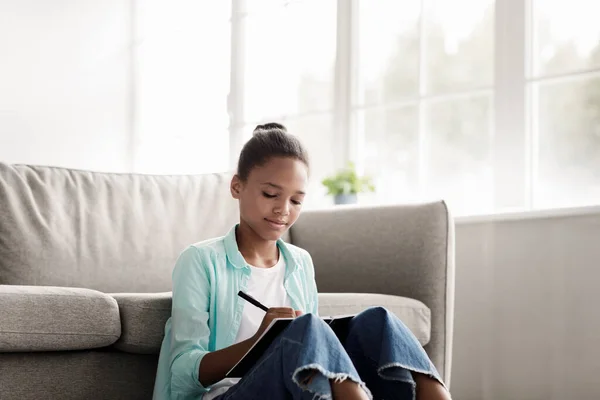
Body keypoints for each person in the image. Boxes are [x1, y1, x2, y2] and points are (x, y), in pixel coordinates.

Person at [153, 123, 451, 400]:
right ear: (237, 187)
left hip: (293, 389)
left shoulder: (300, 263)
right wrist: (260, 343)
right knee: (306, 329)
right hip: (226, 395)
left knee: (379, 322)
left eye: (296, 201)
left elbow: (315, 360)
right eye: (270, 194)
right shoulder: (201, 261)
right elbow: (181, 375)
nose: (283, 209)